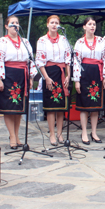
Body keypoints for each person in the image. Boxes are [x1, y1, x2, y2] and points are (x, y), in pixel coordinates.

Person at [0, 15, 37, 149]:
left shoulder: (25, 41)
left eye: (17, 23)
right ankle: (11, 135)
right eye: (12, 23)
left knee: (18, 108)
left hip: (22, 75)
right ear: (6, 26)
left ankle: (17, 136)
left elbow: (30, 60)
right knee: (9, 108)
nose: (15, 25)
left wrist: (31, 78)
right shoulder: (2, 42)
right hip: (8, 75)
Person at [73, 17, 105, 145]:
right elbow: (76, 61)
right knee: (84, 106)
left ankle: (94, 132)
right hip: (84, 73)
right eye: (89, 24)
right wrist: (77, 80)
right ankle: (84, 132)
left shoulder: (101, 40)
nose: (92, 26)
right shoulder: (79, 42)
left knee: (95, 106)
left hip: (97, 72)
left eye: (94, 24)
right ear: (84, 27)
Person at [36, 15, 71, 146]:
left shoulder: (63, 39)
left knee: (61, 106)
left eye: (57, 23)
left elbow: (68, 58)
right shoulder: (42, 40)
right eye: (52, 22)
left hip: (62, 72)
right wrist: (46, 77)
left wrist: (68, 75)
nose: (54, 25)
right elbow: (39, 61)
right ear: (47, 24)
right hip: (49, 73)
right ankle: (51, 134)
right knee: (51, 106)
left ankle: (60, 133)